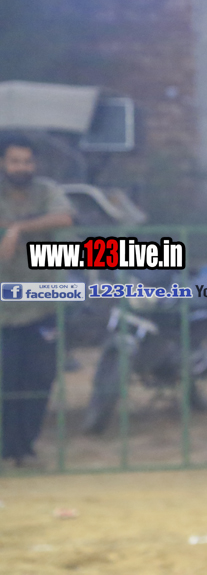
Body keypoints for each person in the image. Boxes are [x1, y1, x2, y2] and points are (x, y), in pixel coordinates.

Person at [0, 134, 75, 468]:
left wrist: (17, 228)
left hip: (43, 302)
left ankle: (25, 450)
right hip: (4, 310)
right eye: (15, 161)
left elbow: (65, 217)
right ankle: (6, 451)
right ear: (3, 164)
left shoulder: (46, 190)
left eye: (27, 161)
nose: (22, 167)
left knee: (39, 379)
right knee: (6, 379)